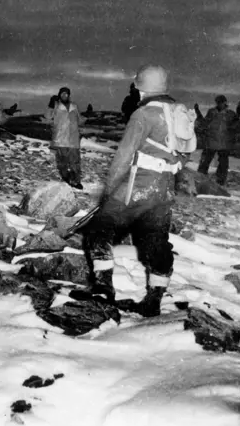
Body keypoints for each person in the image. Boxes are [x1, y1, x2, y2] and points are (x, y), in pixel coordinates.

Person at [80, 64, 183, 318]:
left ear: (142, 88)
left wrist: (109, 190)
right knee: (155, 242)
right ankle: (154, 300)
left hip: (138, 187)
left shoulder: (143, 114)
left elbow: (123, 157)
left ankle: (103, 289)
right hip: (165, 189)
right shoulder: (178, 113)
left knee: (98, 229)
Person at [46, 87, 83, 189]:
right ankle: (66, 177)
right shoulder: (56, 106)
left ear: (69, 95)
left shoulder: (74, 106)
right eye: (62, 94)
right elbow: (48, 117)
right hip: (60, 138)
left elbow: (80, 119)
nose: (64, 96)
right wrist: (50, 105)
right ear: (59, 95)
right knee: (62, 162)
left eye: (66, 94)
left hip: (73, 139)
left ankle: (76, 181)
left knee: (75, 161)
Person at [197, 95, 239, 186]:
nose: (220, 104)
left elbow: (236, 125)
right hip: (211, 141)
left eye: (221, 102)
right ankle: (200, 178)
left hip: (224, 142)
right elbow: (205, 123)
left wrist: (231, 134)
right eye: (218, 102)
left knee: (223, 163)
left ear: (225, 102)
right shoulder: (211, 112)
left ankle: (220, 181)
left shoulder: (230, 114)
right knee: (205, 161)